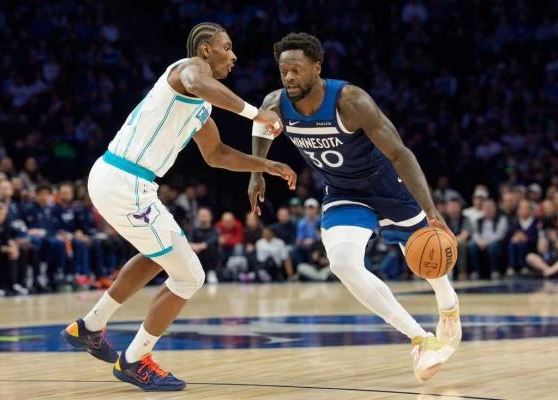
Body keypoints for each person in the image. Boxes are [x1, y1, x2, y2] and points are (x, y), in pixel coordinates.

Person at [61, 22, 296, 392]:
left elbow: (217, 155)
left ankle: (89, 326)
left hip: (121, 180)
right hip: (126, 181)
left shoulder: (200, 105)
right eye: (226, 47)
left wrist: (264, 165)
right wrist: (256, 113)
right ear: (205, 49)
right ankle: (135, 360)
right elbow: (199, 82)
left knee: (157, 255)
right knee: (190, 276)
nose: (233, 56)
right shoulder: (188, 70)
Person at [248, 33, 459, 382]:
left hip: (388, 186)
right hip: (344, 191)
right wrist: (257, 172)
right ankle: (421, 339)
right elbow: (261, 129)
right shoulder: (276, 104)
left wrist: (432, 211)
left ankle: (448, 303)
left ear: (317, 67)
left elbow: (400, 153)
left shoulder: (351, 101)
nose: (289, 77)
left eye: (296, 69)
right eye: (283, 71)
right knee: (343, 263)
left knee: (428, 257)